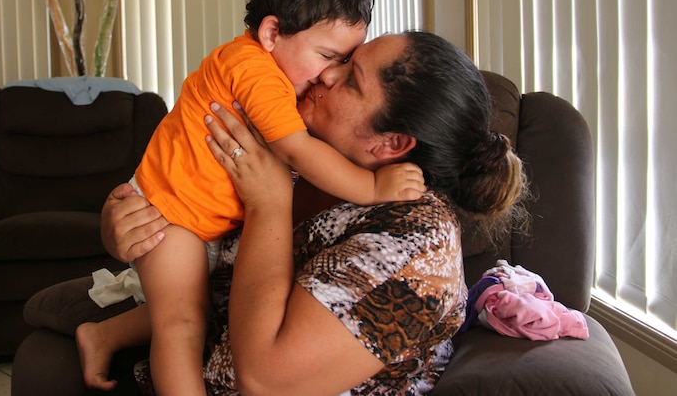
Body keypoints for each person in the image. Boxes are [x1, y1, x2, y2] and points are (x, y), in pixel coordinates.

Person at [94, 30, 529, 395]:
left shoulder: (416, 250)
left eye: (352, 80)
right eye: (343, 58)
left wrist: (269, 204)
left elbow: (264, 379)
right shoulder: (307, 155)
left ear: (392, 144)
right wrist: (133, 224)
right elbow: (197, 238)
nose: (327, 72)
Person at [79, 0, 426, 394]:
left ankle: (101, 334)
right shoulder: (256, 74)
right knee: (182, 323)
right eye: (328, 57)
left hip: (194, 222)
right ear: (272, 32)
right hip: (171, 219)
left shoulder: (275, 75)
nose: (328, 76)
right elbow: (297, 151)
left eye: (347, 68)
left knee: (197, 307)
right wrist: (374, 185)